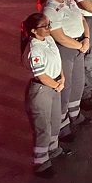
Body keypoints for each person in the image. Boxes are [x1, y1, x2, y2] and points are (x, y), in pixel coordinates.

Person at [39, 0, 89, 141]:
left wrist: (86, 39)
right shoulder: (49, 10)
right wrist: (80, 45)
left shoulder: (69, 1)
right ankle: (62, 128)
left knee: (77, 83)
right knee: (64, 89)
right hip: (66, 50)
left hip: (78, 46)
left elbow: (82, 19)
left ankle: (75, 115)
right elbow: (59, 36)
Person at [22, 13, 70, 174]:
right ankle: (41, 163)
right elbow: (41, 76)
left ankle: (53, 150)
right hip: (42, 90)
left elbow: (58, 60)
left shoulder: (47, 39)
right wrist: (57, 84)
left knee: (55, 120)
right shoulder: (35, 50)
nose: (49, 28)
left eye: (49, 24)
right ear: (35, 31)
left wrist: (61, 78)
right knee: (43, 127)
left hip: (55, 85)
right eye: (46, 26)